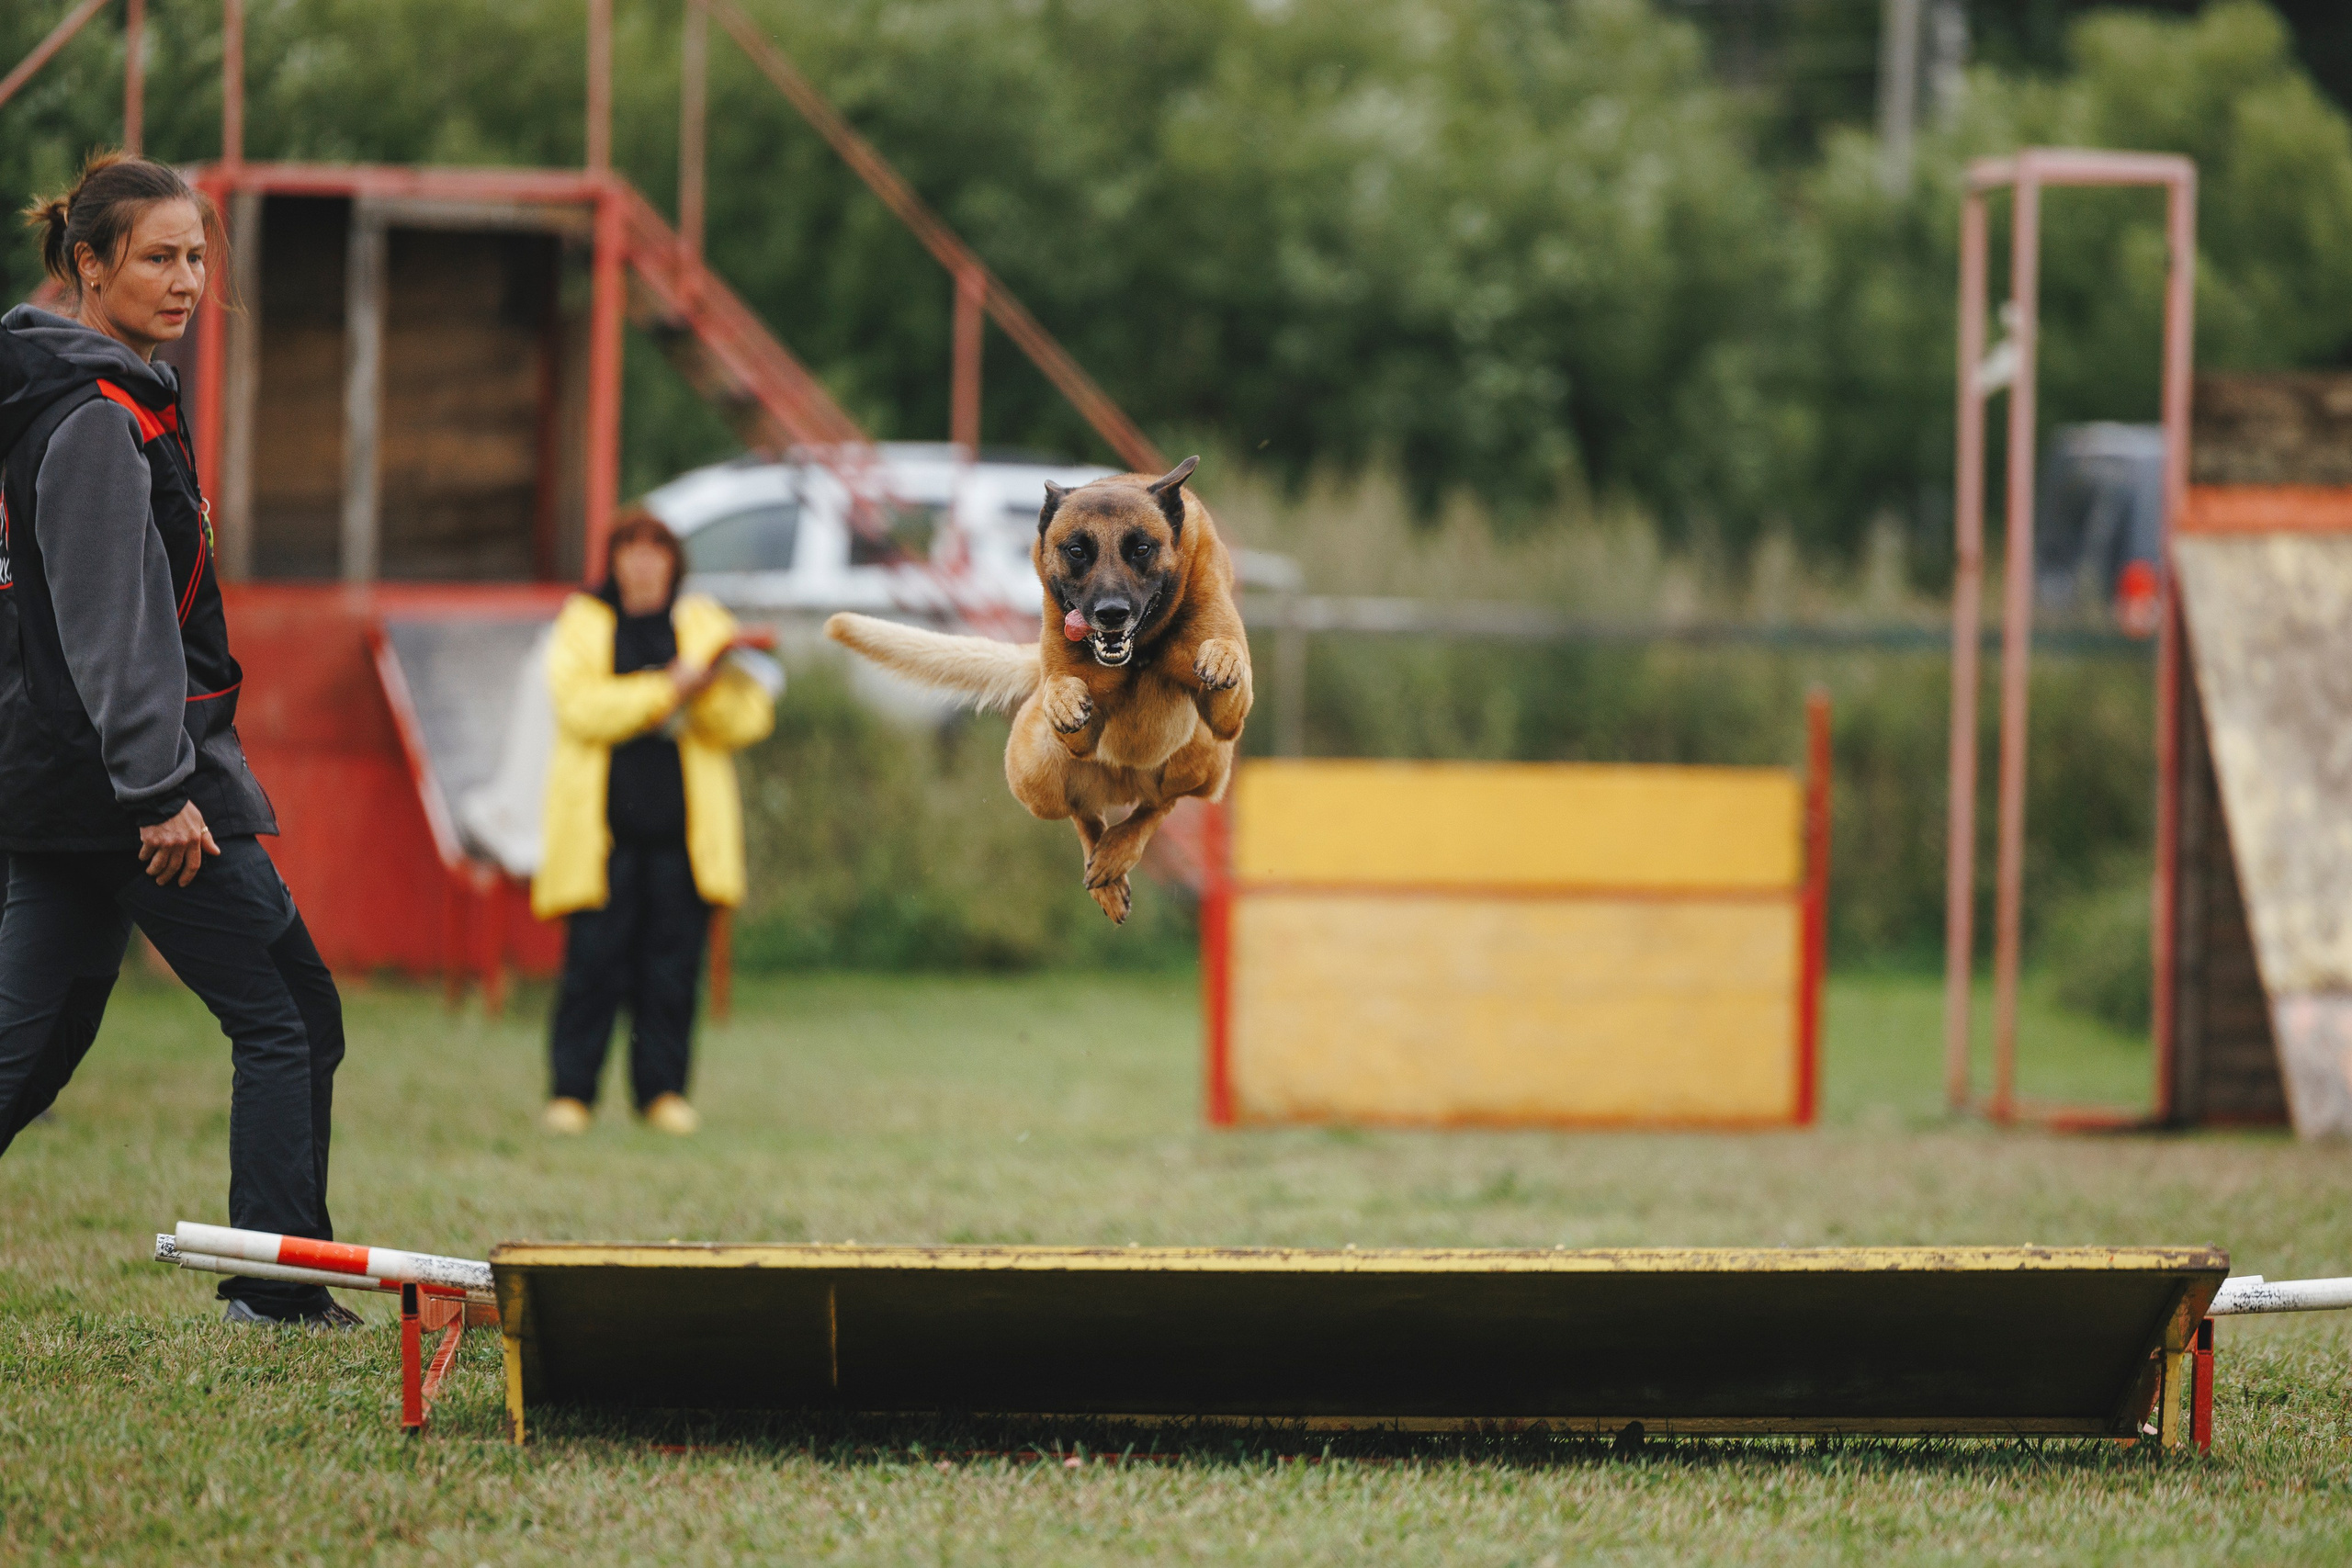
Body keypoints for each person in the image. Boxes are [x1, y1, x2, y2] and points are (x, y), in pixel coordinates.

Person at [0, 152, 354, 1326]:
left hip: (64, 781)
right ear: (87, 265)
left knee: (28, 1052)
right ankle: (278, 1291)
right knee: (288, 1011)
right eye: (158, 256)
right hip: (138, 789)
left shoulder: (99, 392)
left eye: (199, 256)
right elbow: (113, 622)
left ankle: (277, 1281)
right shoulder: (96, 416)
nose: (189, 279)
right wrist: (157, 788)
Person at [534, 512, 775, 1134]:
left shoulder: (704, 624)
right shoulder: (583, 624)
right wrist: (666, 689)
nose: (643, 564)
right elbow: (581, 709)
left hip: (682, 840)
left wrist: (704, 693)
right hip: (603, 839)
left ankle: (662, 1093)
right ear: (612, 562)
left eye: (655, 551)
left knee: (671, 973)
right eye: (630, 551)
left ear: (674, 562)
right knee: (592, 967)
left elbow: (749, 718)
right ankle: (572, 1094)